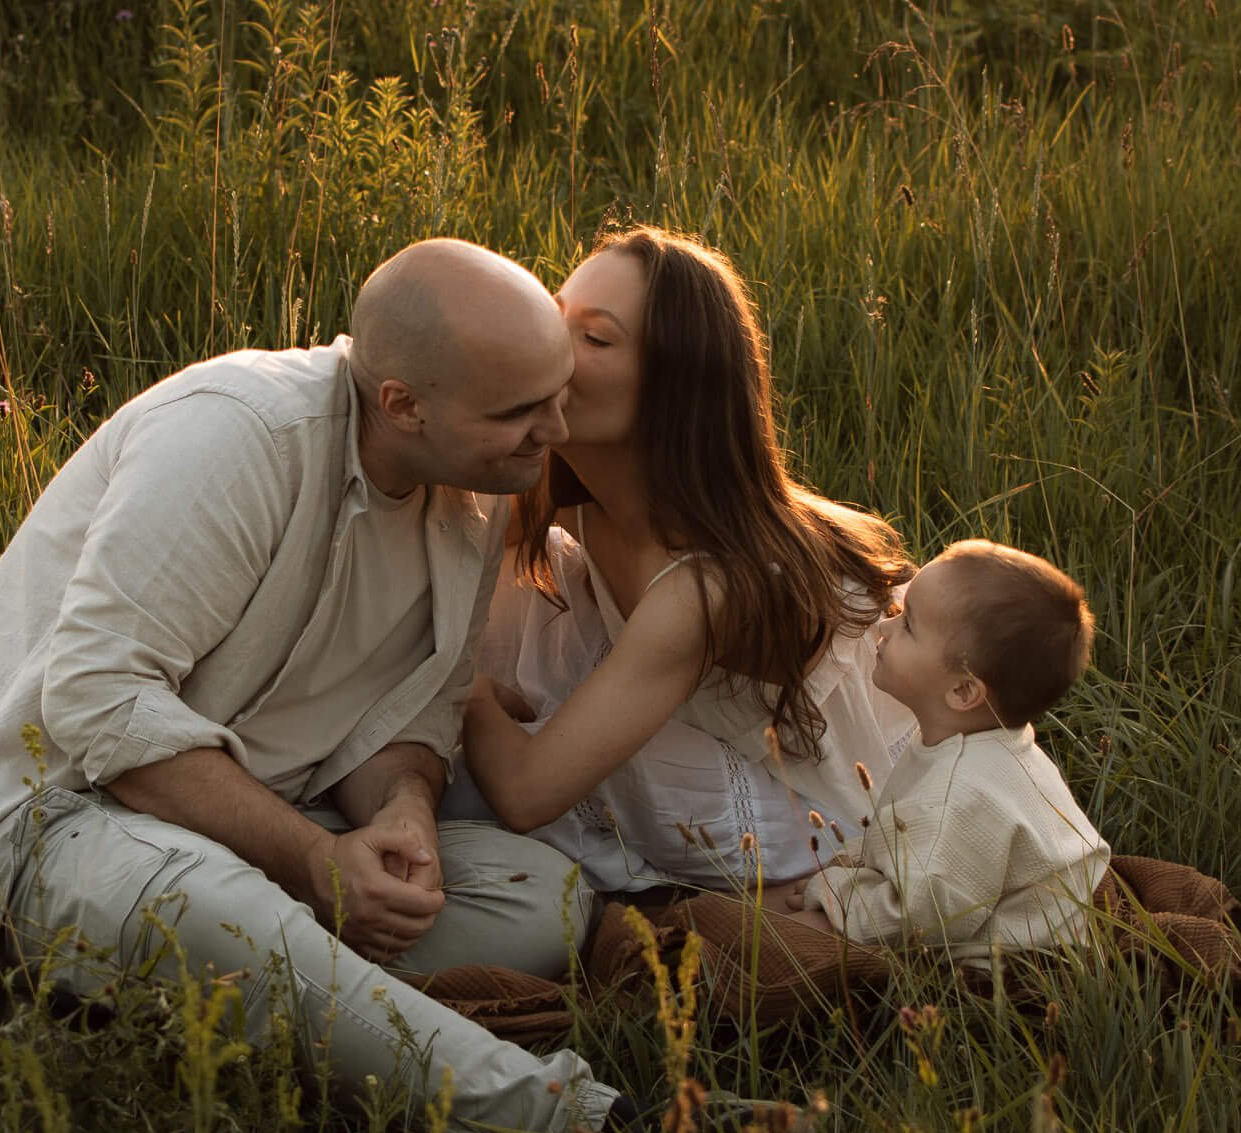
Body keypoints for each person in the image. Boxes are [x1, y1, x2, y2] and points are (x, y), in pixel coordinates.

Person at [0, 239, 624, 1133]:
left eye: (559, 394)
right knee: (221, 904)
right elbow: (97, 701)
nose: (558, 433)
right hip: (42, 818)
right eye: (522, 412)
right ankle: (589, 1125)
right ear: (404, 404)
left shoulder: (477, 479)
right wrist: (310, 858)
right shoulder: (237, 436)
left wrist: (403, 815)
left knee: (545, 896)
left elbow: (415, 707)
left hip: (261, 823)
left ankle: (246, 1010)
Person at [459, 226, 913, 893]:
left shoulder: (706, 585)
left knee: (535, 738)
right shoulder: (567, 480)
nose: (553, 348)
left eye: (596, 338)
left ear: (673, 390)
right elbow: (440, 546)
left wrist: (454, 685)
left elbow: (527, 793)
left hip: (813, 791)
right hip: (698, 715)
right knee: (502, 592)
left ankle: (785, 890)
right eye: (555, 317)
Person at [782, 540, 1112, 957]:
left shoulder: (958, 794)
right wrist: (851, 864)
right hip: (974, 902)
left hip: (1009, 961)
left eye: (907, 625)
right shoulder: (984, 742)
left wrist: (834, 893)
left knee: (791, 941)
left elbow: (918, 920)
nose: (883, 627)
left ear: (962, 690)